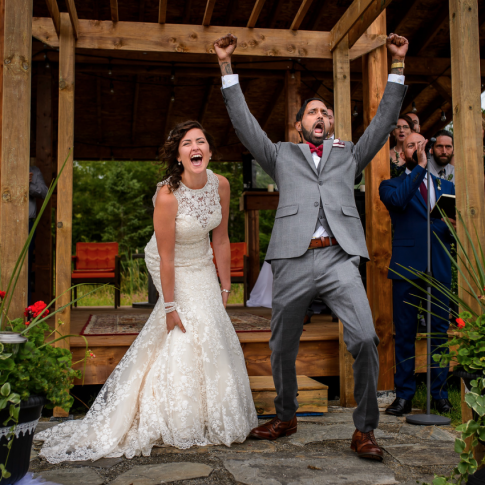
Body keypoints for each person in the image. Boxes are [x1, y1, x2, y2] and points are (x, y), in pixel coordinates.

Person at [214, 32, 409, 461]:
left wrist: (397, 66)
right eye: (313, 112)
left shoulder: (350, 155)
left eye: (326, 112)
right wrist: (227, 67)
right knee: (282, 344)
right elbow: (245, 125)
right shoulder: (281, 154)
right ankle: (286, 416)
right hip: (293, 258)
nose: (320, 115)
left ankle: (364, 430)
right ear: (299, 125)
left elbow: (383, 121)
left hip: (340, 257)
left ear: (332, 124)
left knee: (365, 339)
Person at [36, 120, 258, 463]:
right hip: (168, 260)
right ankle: (171, 413)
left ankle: (207, 412)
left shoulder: (222, 185)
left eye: (201, 142)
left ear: (210, 152)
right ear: (180, 156)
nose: (195, 147)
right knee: (184, 323)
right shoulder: (168, 195)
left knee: (212, 321)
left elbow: (222, 238)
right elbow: (166, 257)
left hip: (201, 260)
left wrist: (226, 285)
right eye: (187, 143)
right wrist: (169, 306)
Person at [379, 132, 455, 416]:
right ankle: (404, 395)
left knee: (439, 332)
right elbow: (399, 202)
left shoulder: (446, 185)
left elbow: (450, 226)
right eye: (411, 145)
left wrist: (455, 227)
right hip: (407, 266)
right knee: (405, 334)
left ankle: (439, 394)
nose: (418, 147)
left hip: (438, 265)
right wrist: (421, 167)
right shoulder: (390, 185)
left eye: (422, 143)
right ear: (402, 154)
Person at [28, 165, 48, 304]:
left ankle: (26, 310)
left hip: (27, 224)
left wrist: (27, 185)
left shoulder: (34, 171)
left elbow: (45, 192)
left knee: (25, 266)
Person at [390, 114, 416, 178]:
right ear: (393, 132)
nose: (401, 130)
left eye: (405, 127)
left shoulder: (416, 153)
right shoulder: (386, 154)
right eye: (398, 127)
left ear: (411, 131)